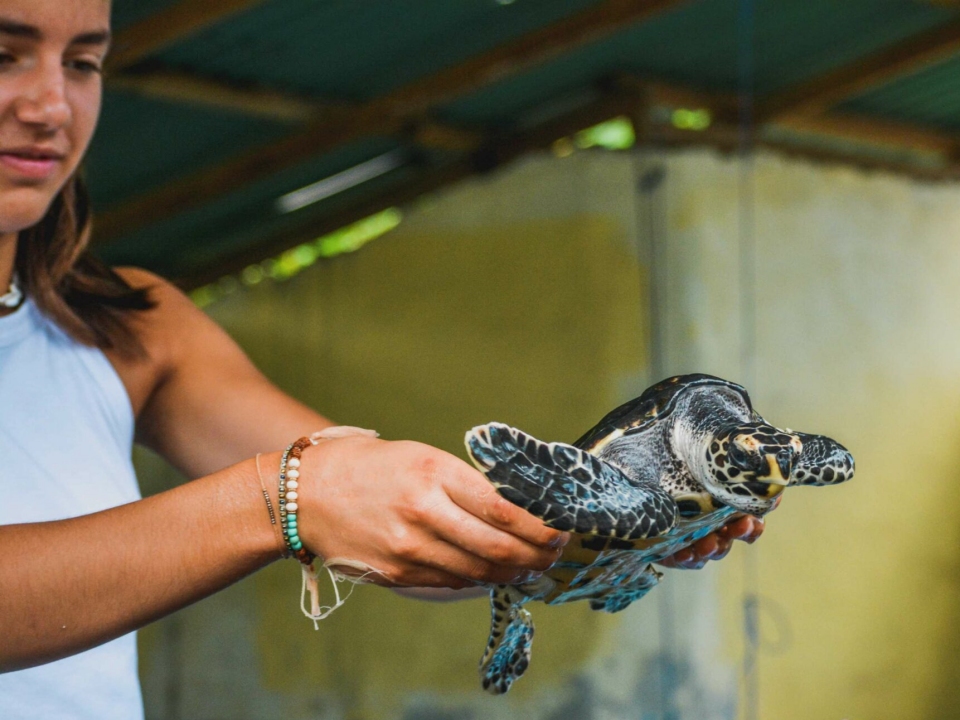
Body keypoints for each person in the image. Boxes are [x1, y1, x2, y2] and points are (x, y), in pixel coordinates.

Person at [0, 1, 764, 717]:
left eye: (83, 63)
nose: (51, 107)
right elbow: (309, 490)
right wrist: (284, 498)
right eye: (4, 55)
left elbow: (379, 513)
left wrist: (607, 520)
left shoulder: (132, 325)